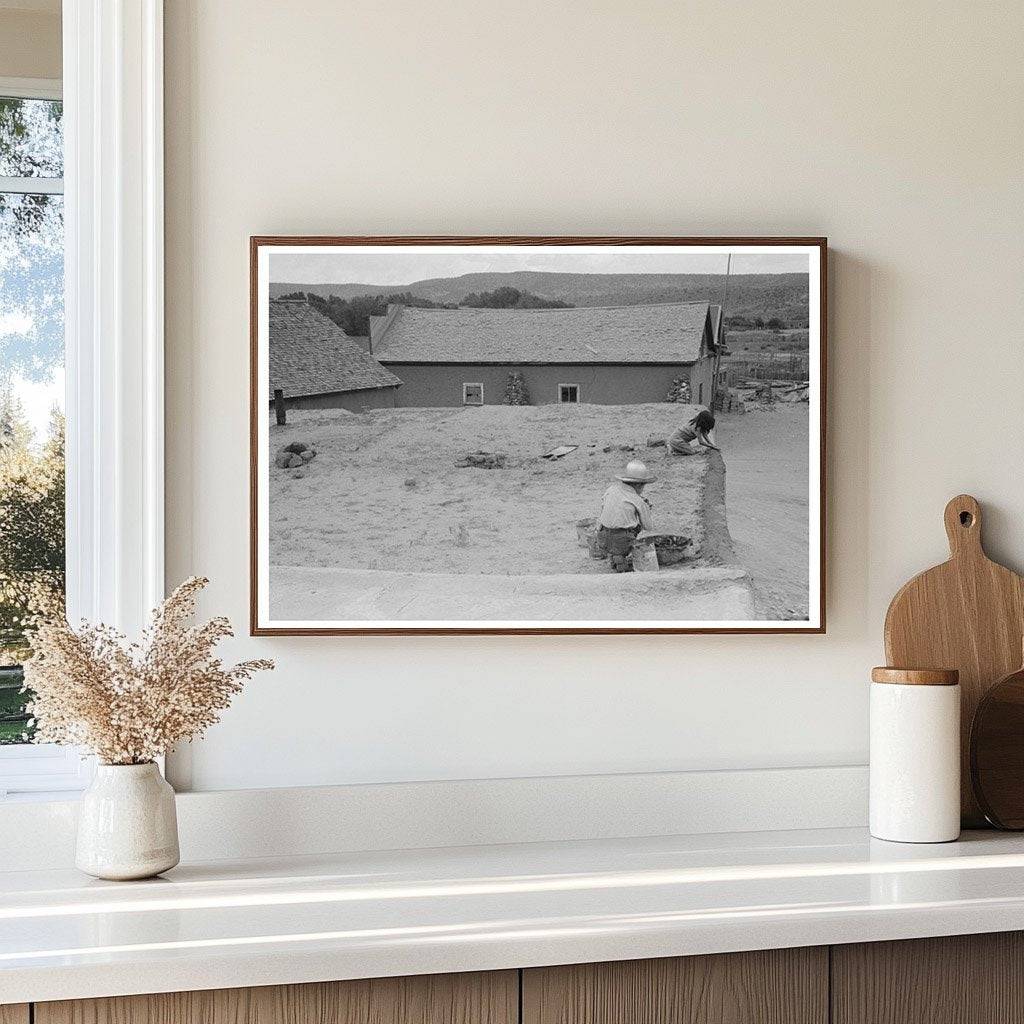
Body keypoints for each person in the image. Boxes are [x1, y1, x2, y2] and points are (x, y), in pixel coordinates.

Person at [597, 460, 656, 572]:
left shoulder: (611, 489)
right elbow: (648, 527)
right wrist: (647, 509)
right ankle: (620, 556)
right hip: (621, 541)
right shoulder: (638, 500)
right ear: (639, 484)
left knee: (618, 526)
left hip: (602, 537)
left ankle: (614, 555)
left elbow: (603, 511)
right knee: (635, 528)